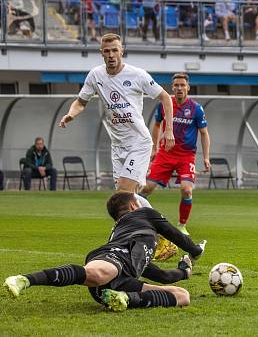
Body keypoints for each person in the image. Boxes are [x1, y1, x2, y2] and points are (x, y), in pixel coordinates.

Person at [3, 192, 207, 312]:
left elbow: (161, 275)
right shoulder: (144, 214)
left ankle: (125, 299)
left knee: (182, 296)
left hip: (116, 283)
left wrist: (184, 271)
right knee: (101, 273)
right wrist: (195, 250)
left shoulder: (128, 232)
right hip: (113, 258)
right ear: (135, 205)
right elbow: (175, 235)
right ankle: (24, 280)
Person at [58, 33, 175, 201]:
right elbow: (80, 102)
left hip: (138, 143)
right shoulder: (95, 75)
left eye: (115, 50)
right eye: (107, 51)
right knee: (125, 198)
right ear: (101, 53)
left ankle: (145, 226)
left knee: (124, 194)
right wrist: (71, 114)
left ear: (122, 51)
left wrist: (168, 129)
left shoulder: (138, 75)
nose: (111, 55)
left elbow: (165, 97)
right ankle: (152, 225)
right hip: (117, 146)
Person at [140, 73, 211, 235]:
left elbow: (204, 133)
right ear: (172, 87)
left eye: (182, 85)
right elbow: (157, 125)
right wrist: (154, 148)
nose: (179, 88)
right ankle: (137, 218)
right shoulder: (165, 104)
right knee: (146, 188)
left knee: (187, 190)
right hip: (165, 154)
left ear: (188, 88)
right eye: (176, 85)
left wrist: (206, 157)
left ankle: (181, 225)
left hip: (186, 156)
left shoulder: (196, 109)